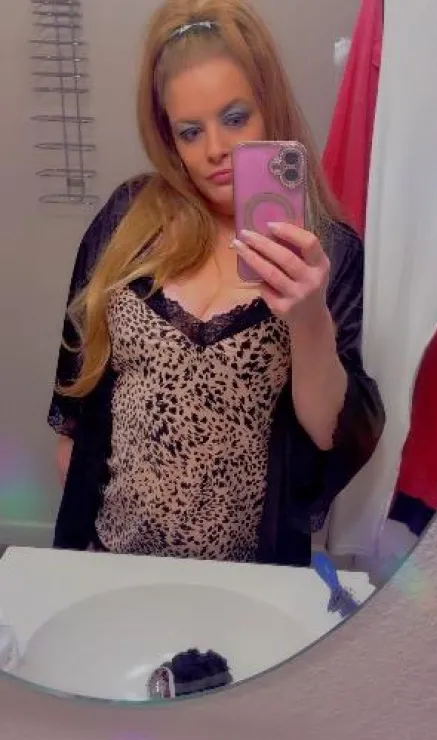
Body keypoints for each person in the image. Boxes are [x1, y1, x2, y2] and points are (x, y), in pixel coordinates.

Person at [47, 0, 385, 565]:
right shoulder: (126, 220)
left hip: (247, 577)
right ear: (168, 137)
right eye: (189, 130)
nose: (214, 150)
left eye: (234, 117)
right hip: (112, 556)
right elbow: (75, 388)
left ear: (269, 105)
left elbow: (332, 435)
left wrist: (308, 319)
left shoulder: (328, 251)